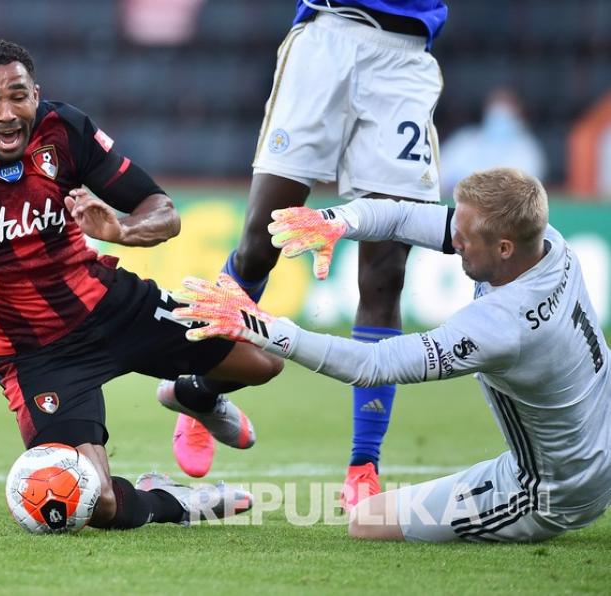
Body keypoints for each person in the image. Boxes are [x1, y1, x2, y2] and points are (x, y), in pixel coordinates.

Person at [0, 40, 283, 530]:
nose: (7, 113)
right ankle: (172, 502)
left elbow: (163, 210)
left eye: (17, 96)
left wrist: (123, 230)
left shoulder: (64, 130)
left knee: (264, 361)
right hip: (36, 355)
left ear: (35, 94)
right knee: (95, 502)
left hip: (110, 306)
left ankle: (193, 394)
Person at [172, 167, 611, 542]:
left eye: (465, 235)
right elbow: (401, 216)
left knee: (367, 521)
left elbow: (373, 364)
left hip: (553, 491)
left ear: (503, 249)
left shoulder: (504, 326)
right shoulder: (546, 243)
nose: (452, 239)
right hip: (601, 441)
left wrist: (262, 328)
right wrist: (333, 221)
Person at [169, 0, 448, 507]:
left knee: (385, 273)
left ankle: (364, 465)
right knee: (261, 242)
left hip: (405, 58)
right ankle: (201, 392)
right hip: (329, 35)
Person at [440, 88, 547, 197]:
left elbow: (527, 185)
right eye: (496, 105)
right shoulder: (465, 139)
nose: (500, 113)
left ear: (518, 111)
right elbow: (440, 173)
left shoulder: (527, 146)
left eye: (506, 105)